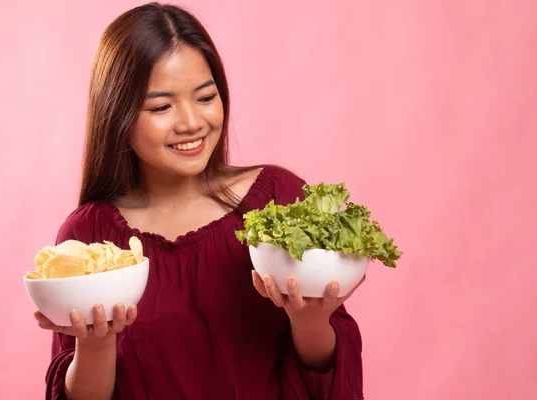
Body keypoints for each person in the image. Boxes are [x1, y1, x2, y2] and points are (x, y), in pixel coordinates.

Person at [33, 2, 365, 399]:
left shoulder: (278, 199)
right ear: (117, 114)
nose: (192, 122)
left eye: (206, 98)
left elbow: (329, 379)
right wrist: (97, 343)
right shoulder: (89, 235)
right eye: (161, 107)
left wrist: (310, 321)